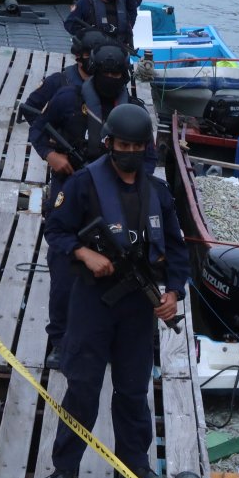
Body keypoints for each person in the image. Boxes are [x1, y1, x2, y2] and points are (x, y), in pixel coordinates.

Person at [41, 103, 189, 478]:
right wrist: (82, 252)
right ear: (108, 143)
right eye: (122, 144)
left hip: (138, 308)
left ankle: (135, 464)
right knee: (83, 387)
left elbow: (176, 248)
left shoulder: (157, 192)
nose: (128, 151)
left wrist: (173, 293)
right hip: (92, 301)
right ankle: (65, 467)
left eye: (136, 145)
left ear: (146, 148)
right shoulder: (84, 185)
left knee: (132, 389)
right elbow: (55, 230)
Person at [28, 42, 154, 368]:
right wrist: (52, 156)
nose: (112, 79)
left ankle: (114, 338)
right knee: (63, 272)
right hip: (71, 185)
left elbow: (149, 159)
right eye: (107, 73)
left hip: (114, 195)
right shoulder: (68, 99)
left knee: (120, 268)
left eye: (118, 74)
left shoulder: (133, 110)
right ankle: (59, 340)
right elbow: (39, 129)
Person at [17, 29, 109, 124]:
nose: (93, 60)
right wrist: (47, 134)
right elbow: (30, 108)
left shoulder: (111, 85)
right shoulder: (57, 82)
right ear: (77, 56)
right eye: (87, 55)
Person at [65, 0, 134, 49]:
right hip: (93, 50)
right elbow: (69, 24)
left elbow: (128, 30)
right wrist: (85, 33)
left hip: (117, 50)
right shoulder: (85, 2)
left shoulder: (121, 6)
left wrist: (130, 44)